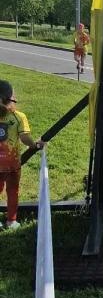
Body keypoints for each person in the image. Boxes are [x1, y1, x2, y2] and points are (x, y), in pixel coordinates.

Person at [0, 81, 44, 230]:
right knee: (13, 191)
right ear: (11, 98)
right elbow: (25, 138)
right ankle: (11, 221)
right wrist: (35, 145)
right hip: (12, 164)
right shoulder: (19, 117)